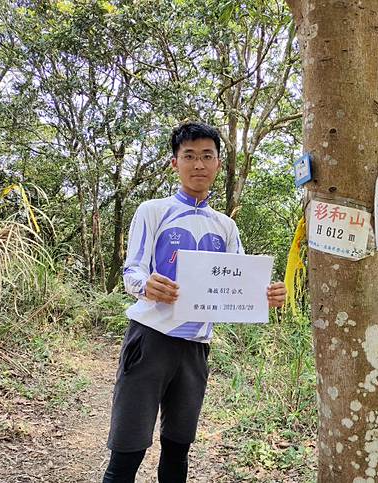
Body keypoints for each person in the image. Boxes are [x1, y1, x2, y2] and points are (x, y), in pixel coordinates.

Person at [103, 122, 287, 483]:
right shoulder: (153, 210)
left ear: (219, 164)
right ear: (175, 163)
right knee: (128, 450)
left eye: (207, 156)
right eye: (189, 156)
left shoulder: (226, 227)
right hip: (150, 338)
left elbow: (241, 284)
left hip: (196, 347)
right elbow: (132, 272)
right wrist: (147, 286)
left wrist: (267, 295)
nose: (198, 165)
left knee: (177, 448)